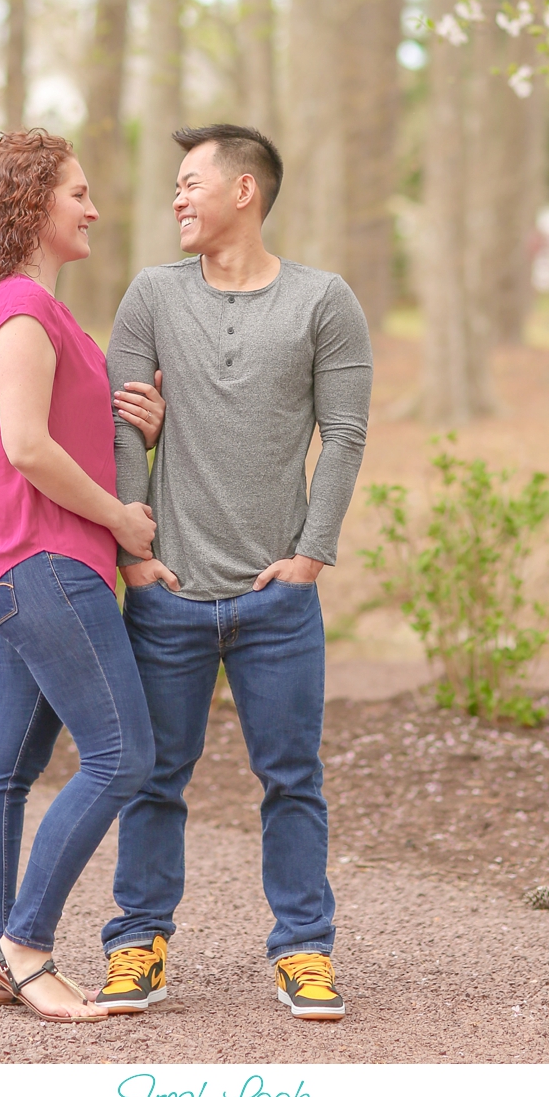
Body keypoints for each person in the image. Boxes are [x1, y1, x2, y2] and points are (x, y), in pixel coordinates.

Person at [97, 124, 373, 1021]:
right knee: (151, 776)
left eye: (190, 182)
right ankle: (138, 942)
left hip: (275, 601)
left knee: (292, 778)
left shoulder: (324, 300)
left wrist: (310, 557)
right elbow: (119, 427)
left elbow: (346, 434)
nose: (176, 197)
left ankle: (304, 951)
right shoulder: (149, 297)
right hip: (168, 596)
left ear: (244, 191)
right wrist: (136, 558)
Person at [0, 129, 167, 1024]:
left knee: (6, 769)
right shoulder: (25, 309)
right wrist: (119, 519)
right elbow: (27, 447)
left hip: (21, 565)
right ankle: (25, 944)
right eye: (78, 192)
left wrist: (136, 428)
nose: (93, 207)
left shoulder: (34, 309)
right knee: (124, 756)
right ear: (33, 203)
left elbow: (62, 431)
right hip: (47, 566)